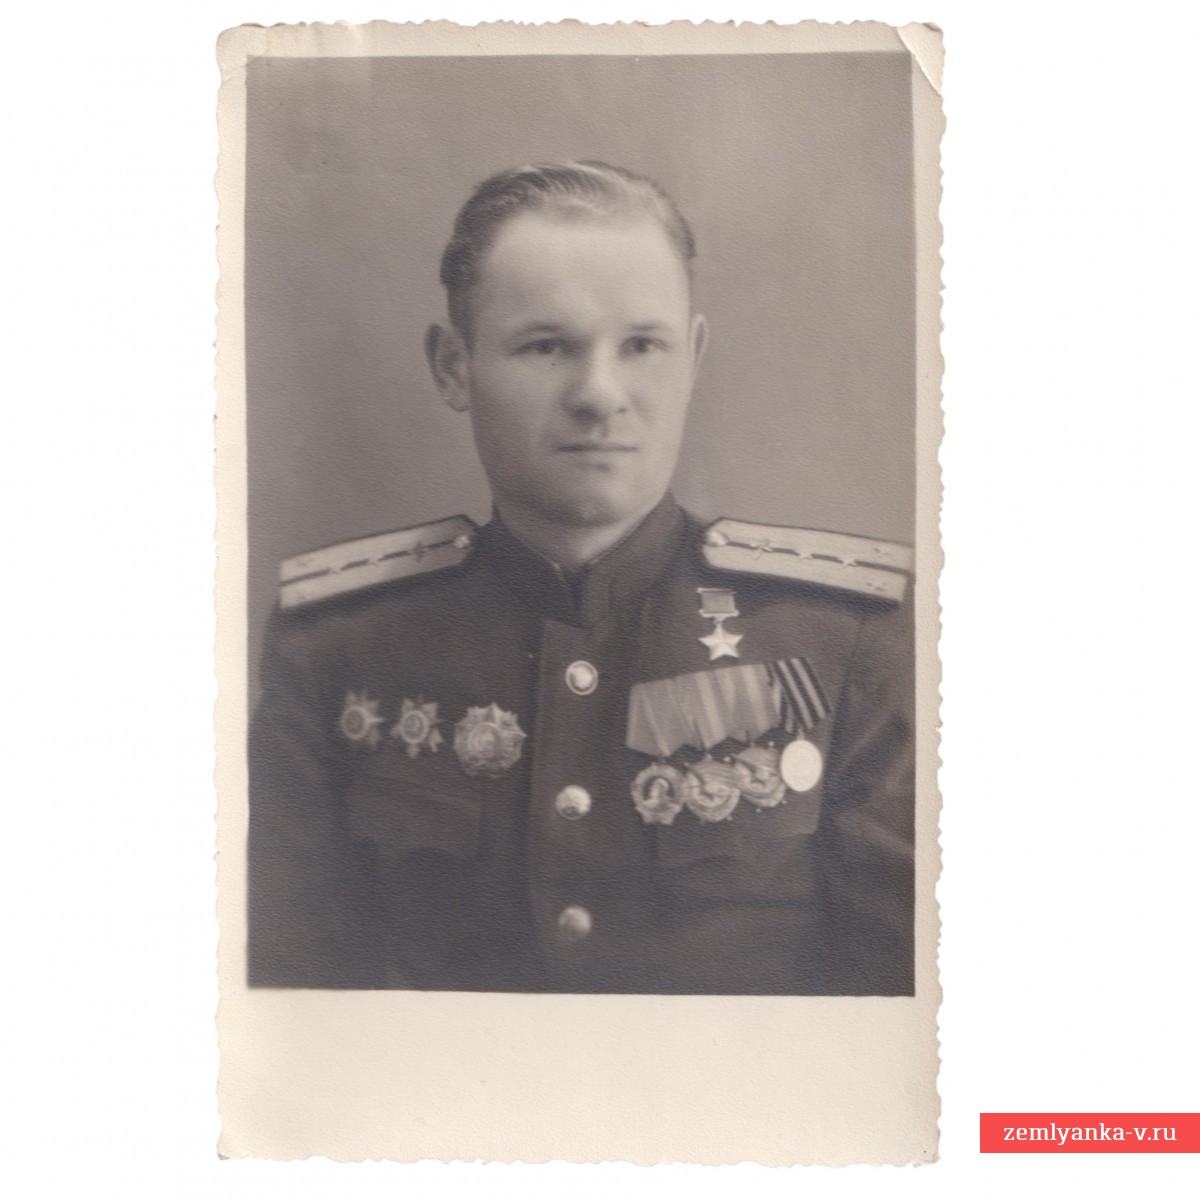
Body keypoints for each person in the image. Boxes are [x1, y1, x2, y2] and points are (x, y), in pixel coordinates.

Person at [248, 161, 914, 995]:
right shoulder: (339, 647)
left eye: (642, 345)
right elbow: (294, 1009)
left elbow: (895, 1014)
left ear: (693, 357)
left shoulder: (844, 639)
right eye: (546, 345)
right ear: (454, 366)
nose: (599, 394)